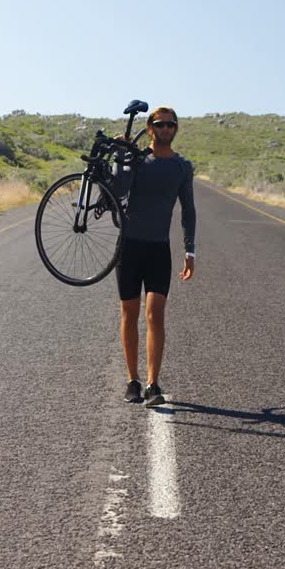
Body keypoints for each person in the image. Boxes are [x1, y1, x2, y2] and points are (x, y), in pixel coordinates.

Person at [112, 106, 195, 407]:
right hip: (129, 247)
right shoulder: (137, 159)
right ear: (149, 129)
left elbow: (188, 210)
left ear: (175, 129)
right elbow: (119, 188)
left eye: (170, 125)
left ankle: (152, 384)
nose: (165, 129)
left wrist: (190, 249)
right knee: (129, 314)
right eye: (160, 125)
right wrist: (122, 157)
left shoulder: (182, 167)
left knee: (155, 315)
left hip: (158, 249)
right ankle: (132, 380)